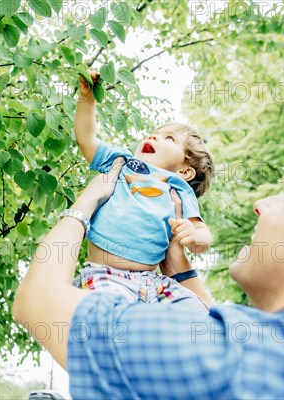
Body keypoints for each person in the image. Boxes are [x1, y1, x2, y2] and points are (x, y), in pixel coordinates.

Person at [12, 155, 284, 398]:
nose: (261, 205)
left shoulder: (236, 363)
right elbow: (219, 327)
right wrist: (182, 270)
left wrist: (88, 201)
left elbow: (38, 301)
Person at [72, 70, 214, 307]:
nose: (155, 137)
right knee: (108, 320)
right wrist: (87, 100)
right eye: (154, 134)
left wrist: (195, 238)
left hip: (154, 281)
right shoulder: (121, 162)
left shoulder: (178, 188)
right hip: (106, 273)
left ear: (185, 171)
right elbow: (86, 139)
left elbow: (203, 233)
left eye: (169, 139)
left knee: (197, 311)